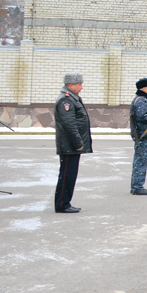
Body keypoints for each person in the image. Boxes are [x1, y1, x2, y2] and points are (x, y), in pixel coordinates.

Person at [54, 72, 91, 213]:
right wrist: (78, 143)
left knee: (70, 175)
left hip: (71, 145)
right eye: (79, 84)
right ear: (71, 85)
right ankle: (62, 205)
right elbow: (69, 124)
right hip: (70, 146)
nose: (81, 87)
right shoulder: (66, 100)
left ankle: (64, 203)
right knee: (67, 175)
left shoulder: (72, 98)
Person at [129, 78, 147, 195]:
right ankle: (137, 186)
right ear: (144, 88)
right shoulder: (141, 101)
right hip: (142, 136)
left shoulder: (144, 100)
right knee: (141, 161)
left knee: (141, 160)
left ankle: (137, 185)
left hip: (144, 135)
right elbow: (143, 117)